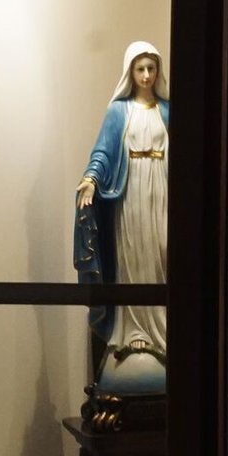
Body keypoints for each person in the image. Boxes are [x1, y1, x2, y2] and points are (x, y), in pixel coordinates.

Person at [75, 41, 169, 387]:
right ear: (130, 72)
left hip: (162, 188)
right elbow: (103, 151)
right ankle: (132, 332)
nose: (146, 75)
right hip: (130, 195)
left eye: (151, 69)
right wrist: (91, 179)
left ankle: (163, 331)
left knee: (161, 255)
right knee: (134, 257)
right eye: (140, 69)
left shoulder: (168, 110)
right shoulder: (119, 111)